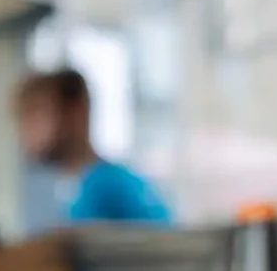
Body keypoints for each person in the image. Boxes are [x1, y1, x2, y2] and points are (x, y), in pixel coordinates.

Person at [15, 68, 170, 227]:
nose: (25, 130)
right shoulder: (87, 184)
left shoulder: (101, 187)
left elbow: (67, 247)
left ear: (76, 111)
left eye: (34, 114)